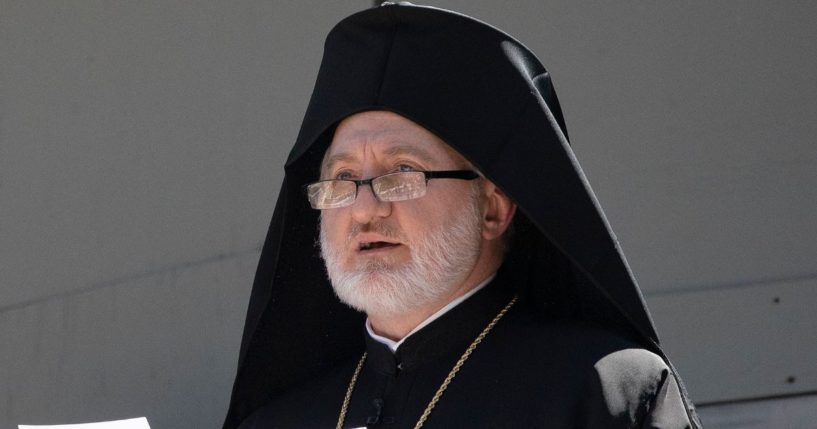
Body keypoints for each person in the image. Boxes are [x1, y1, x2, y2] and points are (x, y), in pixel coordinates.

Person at [224, 3, 701, 428]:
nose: (365, 209)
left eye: (403, 172)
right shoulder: (280, 420)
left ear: (492, 207)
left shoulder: (604, 393)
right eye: (342, 180)